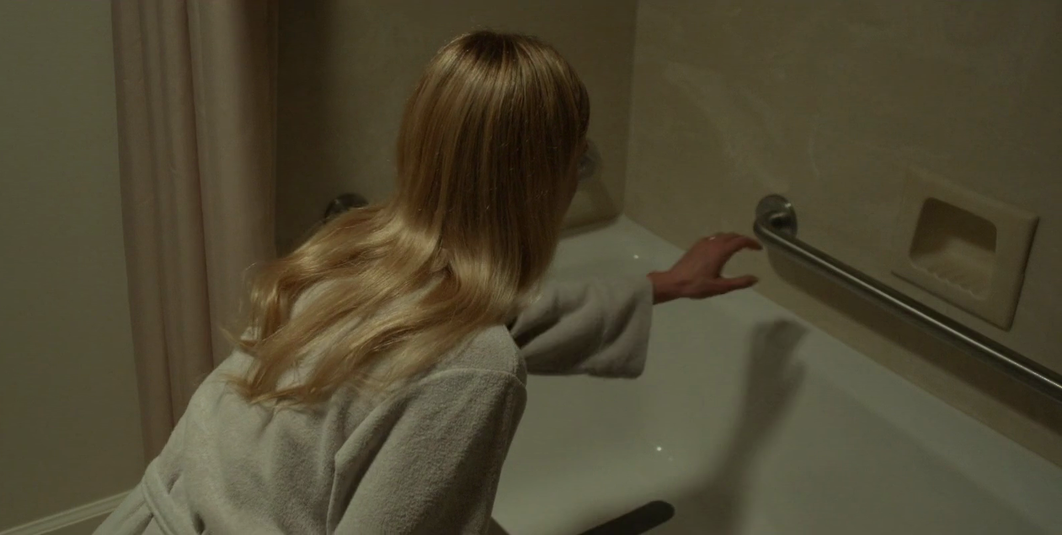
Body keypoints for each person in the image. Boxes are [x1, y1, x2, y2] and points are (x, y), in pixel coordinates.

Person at [95, 30, 760, 535]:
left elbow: (484, 322)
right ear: (547, 180)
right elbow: (471, 355)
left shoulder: (355, 246)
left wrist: (662, 285)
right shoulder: (479, 369)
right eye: (576, 154)